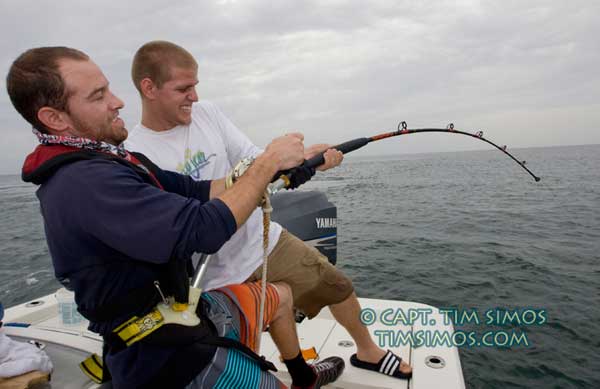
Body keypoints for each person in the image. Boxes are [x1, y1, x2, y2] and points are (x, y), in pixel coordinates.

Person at [7, 46, 345, 389]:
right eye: (98, 96)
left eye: (108, 88)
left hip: (183, 311)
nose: (118, 101)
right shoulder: (85, 184)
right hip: (162, 353)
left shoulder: (113, 159)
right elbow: (204, 229)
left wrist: (289, 164)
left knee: (282, 297)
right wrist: (267, 163)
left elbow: (197, 190)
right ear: (55, 118)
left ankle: (303, 376)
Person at [126, 40, 412, 380]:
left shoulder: (208, 115)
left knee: (338, 286)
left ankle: (368, 351)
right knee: (245, 347)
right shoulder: (135, 152)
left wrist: (308, 159)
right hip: (209, 273)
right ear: (149, 88)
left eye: (196, 86)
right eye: (183, 89)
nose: (195, 97)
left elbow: (257, 159)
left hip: (260, 241)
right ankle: (299, 374)